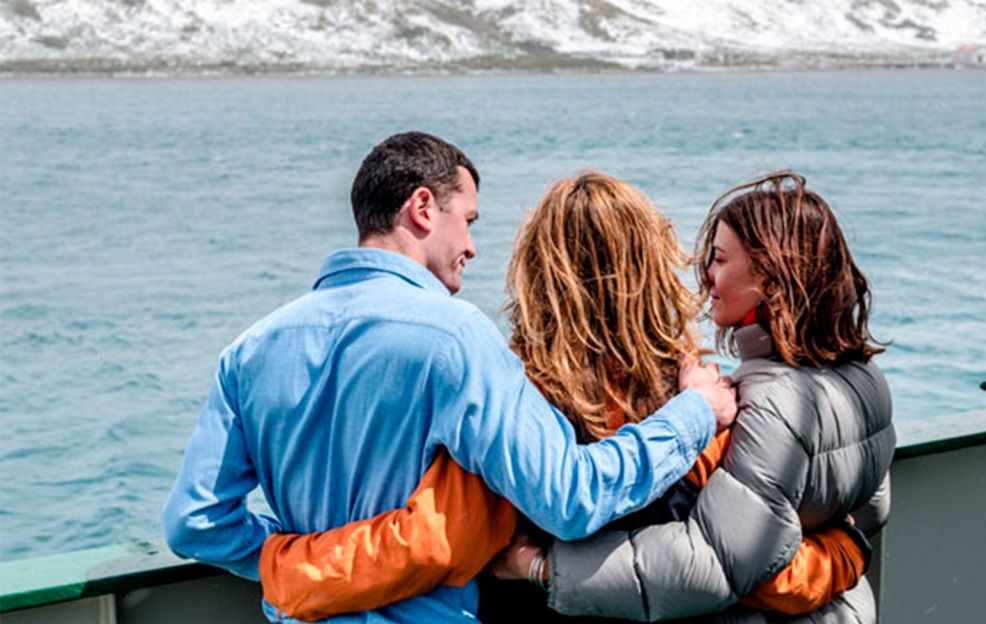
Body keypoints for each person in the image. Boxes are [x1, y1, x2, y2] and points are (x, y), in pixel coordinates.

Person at [161, 132, 740, 624]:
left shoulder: (250, 349)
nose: (471, 246)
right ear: (421, 208)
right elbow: (569, 497)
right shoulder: (454, 337)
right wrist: (693, 412)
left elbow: (196, 523)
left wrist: (298, 561)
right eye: (466, 220)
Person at [256, 172, 873, 623]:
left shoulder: (513, 398)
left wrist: (284, 569)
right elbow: (757, 570)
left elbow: (426, 544)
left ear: (536, 275)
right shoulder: (707, 396)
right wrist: (844, 553)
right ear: (655, 267)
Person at [495, 171, 896, 623]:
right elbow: (866, 509)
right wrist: (844, 551)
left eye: (719, 260)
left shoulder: (511, 391)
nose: (705, 275)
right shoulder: (861, 380)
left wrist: (542, 568)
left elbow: (729, 565)